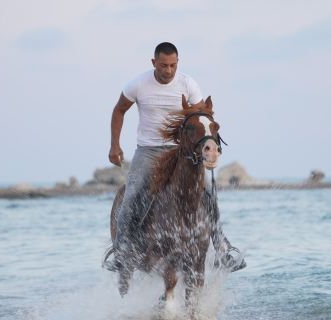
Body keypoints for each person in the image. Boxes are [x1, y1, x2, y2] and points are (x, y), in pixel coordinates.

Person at [103, 42, 245, 277]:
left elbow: (201, 116)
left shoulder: (188, 83)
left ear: (177, 63)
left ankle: (221, 248)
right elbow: (119, 110)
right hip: (148, 150)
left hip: (180, 150)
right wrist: (115, 144)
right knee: (132, 193)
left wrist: (207, 143)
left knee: (209, 189)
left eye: (172, 65)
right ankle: (122, 251)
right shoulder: (138, 84)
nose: (168, 71)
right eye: (163, 65)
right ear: (153, 63)